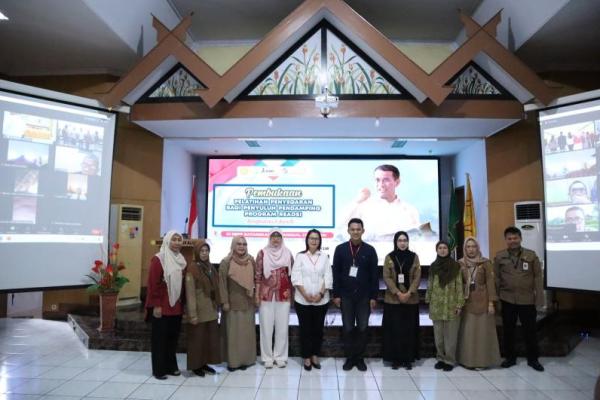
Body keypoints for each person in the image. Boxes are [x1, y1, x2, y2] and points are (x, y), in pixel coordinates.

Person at [494, 226, 544, 372]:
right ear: (505, 240)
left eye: (515, 238)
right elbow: (496, 279)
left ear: (520, 238)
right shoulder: (500, 256)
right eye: (509, 238)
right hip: (507, 299)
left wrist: (539, 299)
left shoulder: (531, 255)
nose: (512, 241)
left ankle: (533, 359)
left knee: (530, 331)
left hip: (527, 300)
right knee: (508, 331)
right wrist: (496, 300)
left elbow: (538, 277)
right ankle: (510, 358)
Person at [332, 218, 379, 371]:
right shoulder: (340, 249)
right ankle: (350, 358)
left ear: (363, 231)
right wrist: (336, 294)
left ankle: (359, 358)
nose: (355, 232)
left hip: (364, 297)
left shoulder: (370, 250)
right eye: (353, 229)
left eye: (358, 229)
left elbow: (374, 275)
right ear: (348, 231)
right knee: (348, 327)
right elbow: (336, 273)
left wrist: (374, 297)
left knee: (363, 327)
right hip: (345, 296)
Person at [145, 230, 187, 380]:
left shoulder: (181, 259)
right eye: (174, 239)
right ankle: (159, 370)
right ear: (167, 241)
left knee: (172, 339)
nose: (177, 243)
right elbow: (153, 284)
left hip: (176, 307)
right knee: (160, 340)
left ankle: (171, 366)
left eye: (179, 240)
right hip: (162, 306)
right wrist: (156, 305)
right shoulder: (159, 259)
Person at [291, 229, 333, 371]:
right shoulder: (300, 256)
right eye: (311, 238)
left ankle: (315, 355)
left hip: (321, 301)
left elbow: (328, 277)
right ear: (307, 240)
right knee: (305, 330)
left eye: (316, 238)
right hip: (302, 301)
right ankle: (306, 357)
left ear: (320, 241)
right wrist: (305, 295)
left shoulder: (324, 257)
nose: (314, 241)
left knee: (318, 330)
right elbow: (295, 277)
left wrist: (320, 294)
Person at [456, 237, 501, 369]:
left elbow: (490, 283)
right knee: (468, 333)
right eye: (468, 247)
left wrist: (491, 303)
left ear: (478, 248)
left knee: (482, 333)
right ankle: (467, 361)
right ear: (465, 249)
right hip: (467, 302)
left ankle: (482, 362)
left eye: (473, 246)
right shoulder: (460, 263)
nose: (471, 249)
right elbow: (458, 284)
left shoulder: (485, 262)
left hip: (483, 302)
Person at [345, 164, 420, 241]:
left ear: (397, 182)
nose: (381, 185)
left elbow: (416, 237)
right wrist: (357, 201)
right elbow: (342, 227)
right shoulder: (364, 206)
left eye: (386, 180)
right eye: (377, 180)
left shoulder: (410, 210)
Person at [382, 231, 421, 370]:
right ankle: (395, 359)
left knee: (408, 331)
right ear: (395, 242)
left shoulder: (414, 257)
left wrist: (409, 293)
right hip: (393, 300)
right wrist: (398, 293)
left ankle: (408, 359)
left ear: (408, 242)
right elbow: (386, 277)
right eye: (400, 240)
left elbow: (417, 276)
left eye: (405, 240)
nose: (402, 243)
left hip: (411, 300)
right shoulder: (389, 257)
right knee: (395, 330)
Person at [255, 229, 294, 368]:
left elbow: (292, 276)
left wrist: (292, 295)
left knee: (282, 328)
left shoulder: (288, 253)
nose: (276, 239)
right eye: (273, 236)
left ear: (282, 238)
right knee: (266, 328)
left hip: (283, 295)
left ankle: (280, 356)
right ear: (269, 238)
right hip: (266, 296)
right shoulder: (262, 253)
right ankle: (267, 357)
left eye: (278, 236)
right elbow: (258, 276)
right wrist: (257, 294)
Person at [219, 235, 257, 371]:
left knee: (246, 334)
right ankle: (233, 362)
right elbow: (222, 284)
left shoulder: (251, 260)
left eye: (244, 244)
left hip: (248, 303)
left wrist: (256, 296)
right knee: (233, 335)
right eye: (239, 244)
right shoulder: (226, 262)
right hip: (232, 304)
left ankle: (246, 360)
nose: (242, 247)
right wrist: (224, 301)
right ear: (233, 246)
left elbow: (256, 279)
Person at [425, 240, 464, 371]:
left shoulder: (455, 266)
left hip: (451, 304)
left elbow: (459, 285)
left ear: (449, 251)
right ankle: (440, 358)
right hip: (436, 305)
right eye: (440, 248)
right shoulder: (433, 266)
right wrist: (428, 299)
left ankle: (450, 360)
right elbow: (430, 284)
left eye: (445, 248)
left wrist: (459, 304)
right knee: (439, 336)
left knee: (450, 336)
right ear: (436, 250)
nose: (442, 250)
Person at [185, 240, 221, 377]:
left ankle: (204, 363)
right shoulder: (192, 268)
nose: (204, 253)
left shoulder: (210, 267)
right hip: (199, 310)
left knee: (207, 339)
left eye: (206, 251)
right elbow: (190, 293)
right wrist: (192, 314)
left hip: (211, 309)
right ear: (196, 252)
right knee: (197, 339)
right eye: (202, 251)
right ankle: (196, 366)